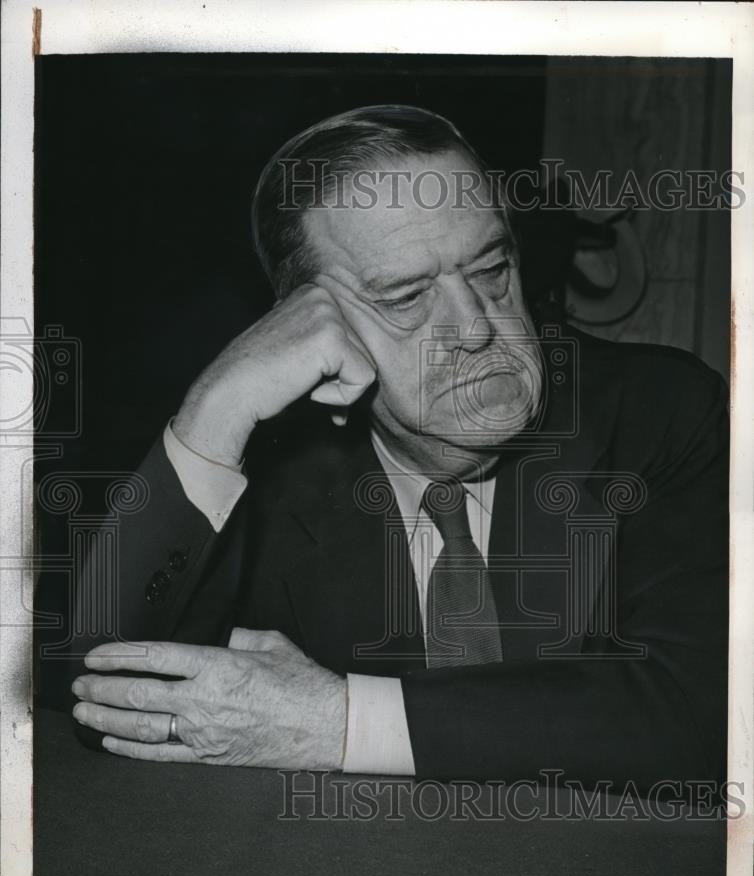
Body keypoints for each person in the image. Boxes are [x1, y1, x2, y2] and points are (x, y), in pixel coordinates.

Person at [69, 105, 728, 791]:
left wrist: (336, 721)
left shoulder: (661, 414)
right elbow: (101, 690)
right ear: (308, 324)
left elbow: (707, 717)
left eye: (490, 270)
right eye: (408, 297)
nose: (476, 327)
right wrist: (215, 412)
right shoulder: (266, 471)